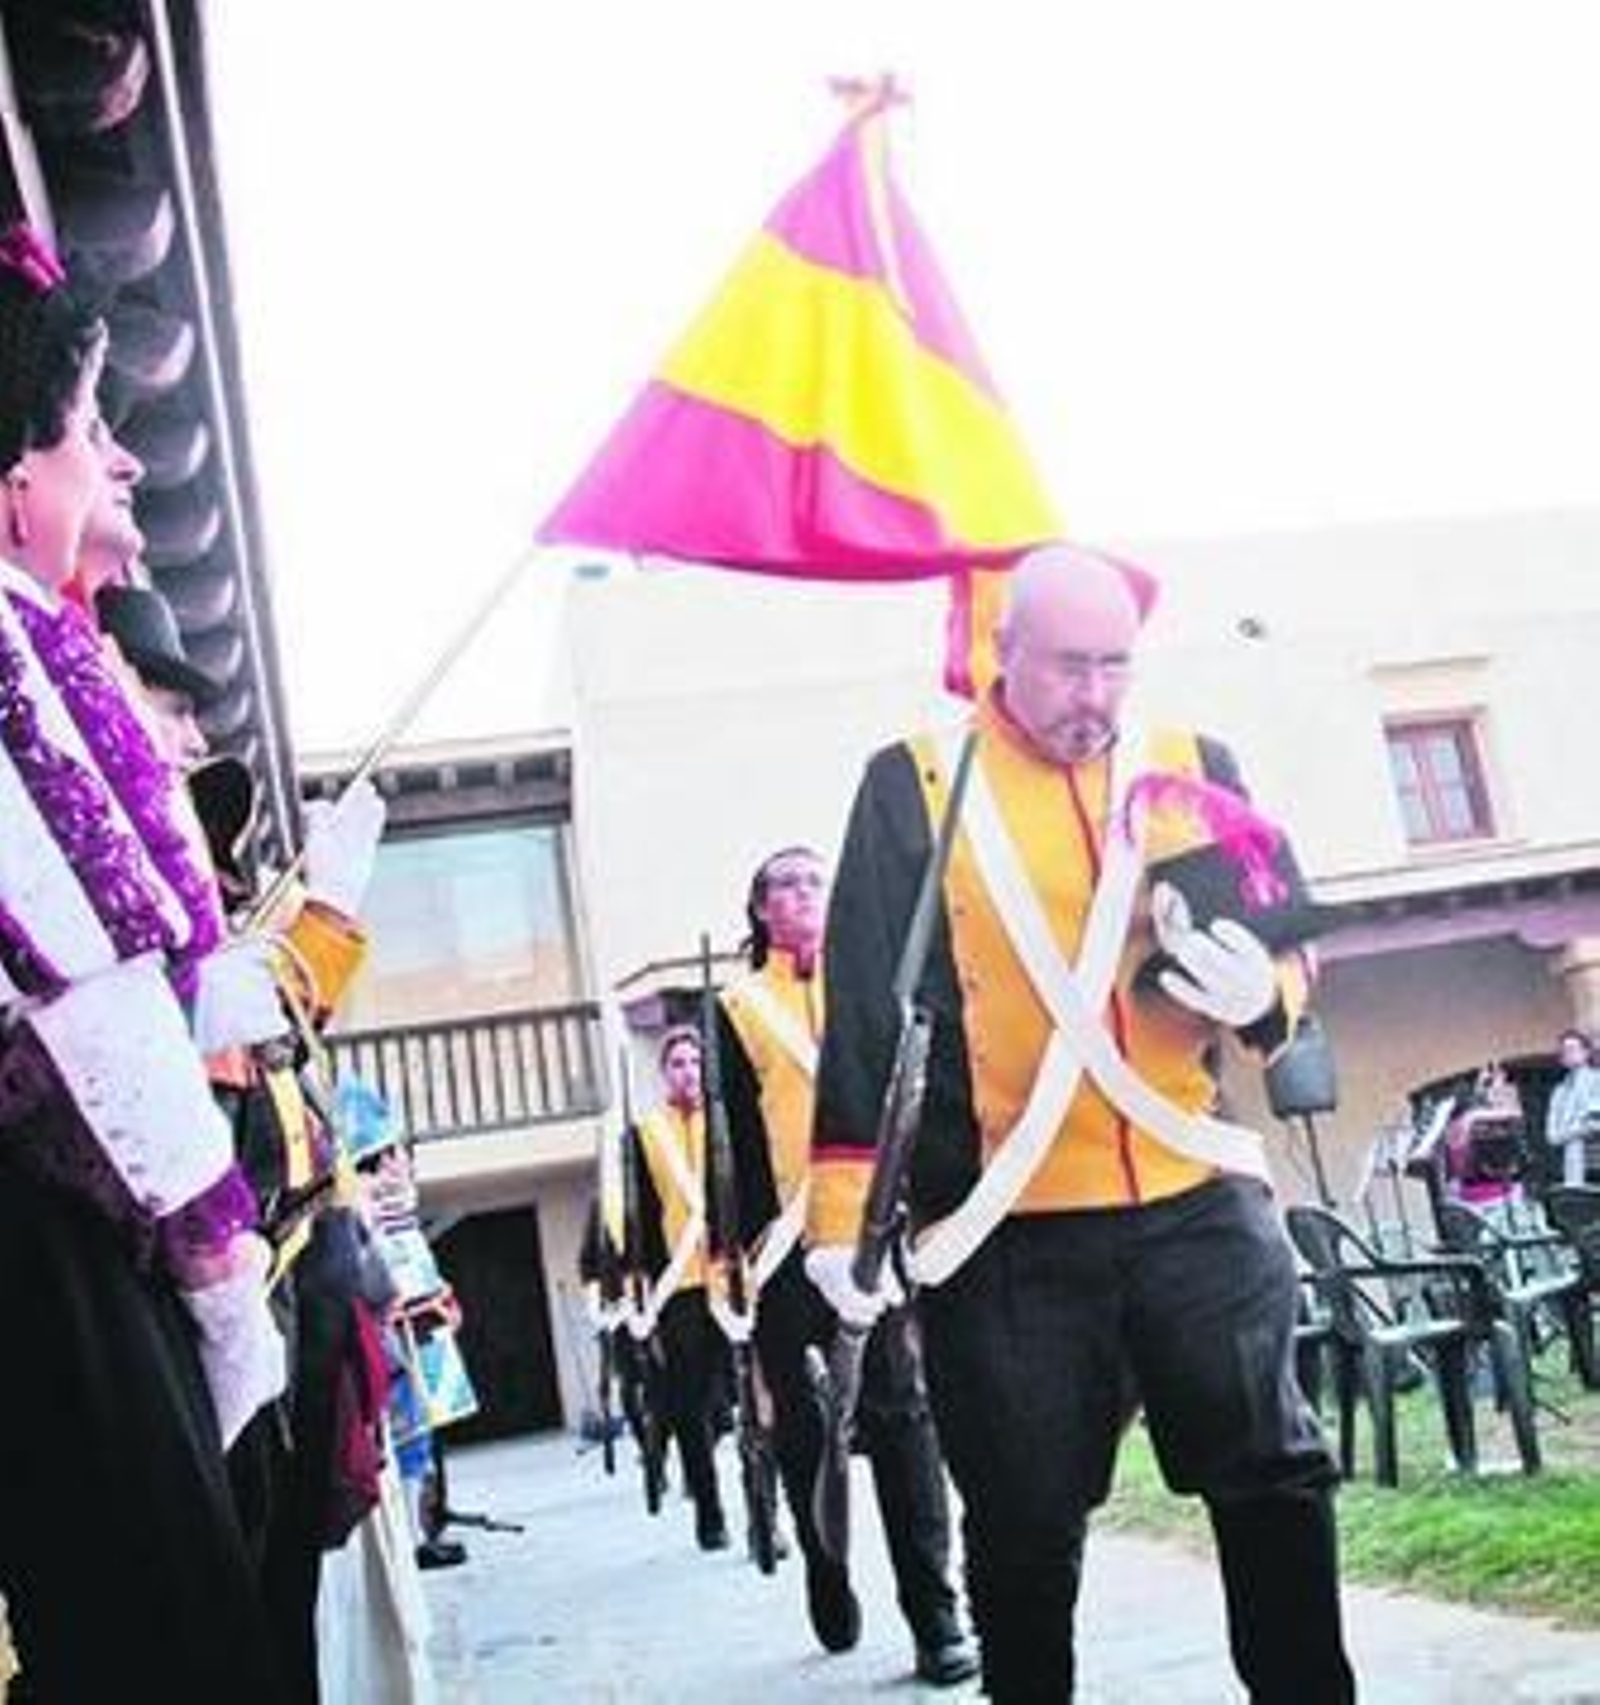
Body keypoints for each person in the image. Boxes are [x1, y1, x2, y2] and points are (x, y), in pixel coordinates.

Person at [807, 543, 1355, 1702]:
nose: (1094, 697)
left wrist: (1267, 997)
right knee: (1018, 1540)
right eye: (1066, 667)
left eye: (1115, 666)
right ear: (1003, 655)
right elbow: (860, 1003)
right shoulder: (911, 782)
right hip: (1008, 1236)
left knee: (1278, 1487)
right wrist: (845, 1222)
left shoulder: (1193, 763)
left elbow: (1284, 932)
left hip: (1195, 1201)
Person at [0, 224, 286, 1700]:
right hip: (47, 1221)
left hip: (73, 1203)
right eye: (86, 432)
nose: (110, 462)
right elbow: (71, 988)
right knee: (155, 1629)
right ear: (13, 486)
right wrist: (213, 1242)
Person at [718, 845, 978, 1682]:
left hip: (875, 1230)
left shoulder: (873, 979)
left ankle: (935, 1619)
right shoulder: (736, 1005)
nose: (805, 891)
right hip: (791, 1249)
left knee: (904, 1418)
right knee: (805, 1429)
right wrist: (742, 1265)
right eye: (786, 882)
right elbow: (737, 1155)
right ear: (760, 908)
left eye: (816, 877)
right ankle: (828, 1573)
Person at [632, 1024, 733, 1549]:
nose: (688, 1071)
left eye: (695, 1062)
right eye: (677, 1063)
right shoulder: (648, 1133)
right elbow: (643, 1217)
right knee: (691, 1405)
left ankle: (768, 1508)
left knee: (746, 1398)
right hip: (680, 1285)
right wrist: (643, 1290)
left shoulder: (726, 1119)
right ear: (664, 1072)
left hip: (731, 1276)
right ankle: (710, 1512)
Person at [1546, 1030, 1600, 1188]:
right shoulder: (1559, 1091)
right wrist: (1580, 1127)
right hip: (1574, 1166)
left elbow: (1595, 1124)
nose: (1568, 1054)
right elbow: (1551, 1136)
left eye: (1572, 1049)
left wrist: (1568, 1130)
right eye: (1564, 1051)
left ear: (1586, 1052)